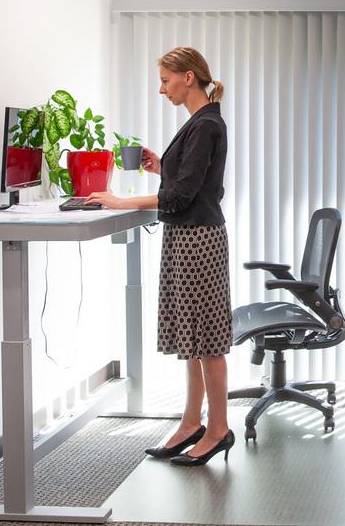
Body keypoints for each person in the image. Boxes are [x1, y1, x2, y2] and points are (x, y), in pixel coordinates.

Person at [86, 46, 235, 466]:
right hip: (187, 237)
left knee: (207, 340)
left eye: (166, 80)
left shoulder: (206, 124)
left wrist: (122, 201)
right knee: (192, 338)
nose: (161, 89)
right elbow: (196, 183)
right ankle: (192, 423)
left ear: (189, 77)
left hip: (198, 241)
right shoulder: (200, 123)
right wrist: (161, 168)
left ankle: (219, 429)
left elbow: (185, 195)